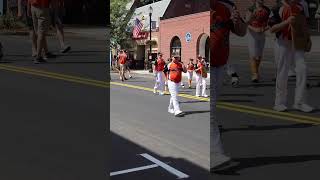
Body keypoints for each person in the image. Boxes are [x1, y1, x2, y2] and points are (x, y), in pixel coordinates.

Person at [211, 0, 247, 172]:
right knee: (209, 113)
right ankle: (214, 155)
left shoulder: (225, 7)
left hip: (220, 66)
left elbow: (241, 31)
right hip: (207, 67)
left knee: (212, 111)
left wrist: (236, 20)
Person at [269, 0, 314, 113]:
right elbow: (272, 29)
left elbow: (304, 25)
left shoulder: (302, 6)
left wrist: (308, 39)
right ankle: (279, 102)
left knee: (302, 69)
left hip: (298, 42)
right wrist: (286, 22)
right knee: (283, 72)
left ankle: (300, 102)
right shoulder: (277, 7)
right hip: (283, 42)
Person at [245, 0, 270, 83]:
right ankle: (254, 74)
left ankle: (256, 71)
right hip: (252, 34)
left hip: (261, 33)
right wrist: (254, 29)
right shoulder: (251, 9)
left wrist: (264, 29)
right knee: (253, 54)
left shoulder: (267, 10)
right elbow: (246, 23)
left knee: (259, 55)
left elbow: (270, 23)